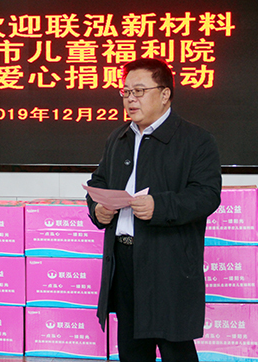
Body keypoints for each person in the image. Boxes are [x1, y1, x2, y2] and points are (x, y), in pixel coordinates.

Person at [86, 57, 222, 362]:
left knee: (175, 348)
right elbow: (98, 182)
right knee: (132, 350)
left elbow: (207, 195)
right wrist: (98, 209)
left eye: (139, 91)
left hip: (167, 260)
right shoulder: (118, 138)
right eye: (125, 92)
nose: (130, 99)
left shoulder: (197, 140)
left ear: (164, 94)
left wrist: (159, 206)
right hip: (123, 258)